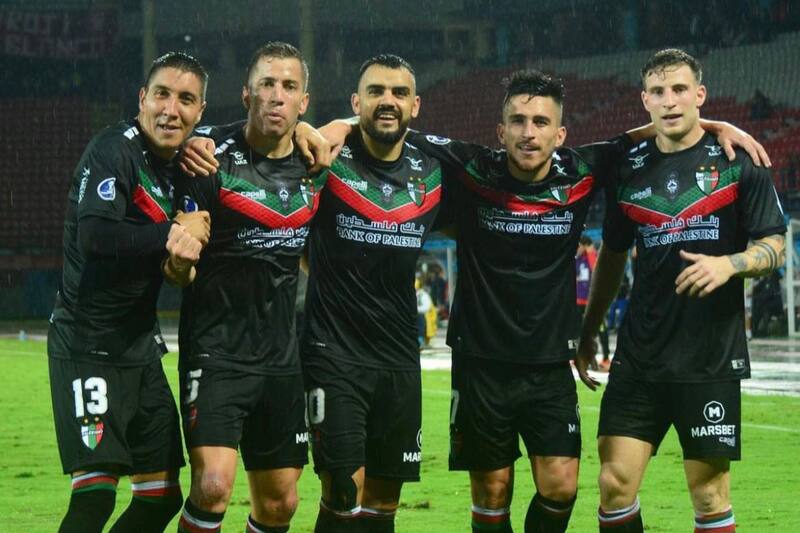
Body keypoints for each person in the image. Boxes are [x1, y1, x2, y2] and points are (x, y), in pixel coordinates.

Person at [319, 68, 768, 533]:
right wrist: (342, 125)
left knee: (561, 486)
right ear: (500, 130)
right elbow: (391, 124)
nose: (528, 132)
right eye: (517, 121)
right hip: (481, 362)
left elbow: (653, 134)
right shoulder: (472, 168)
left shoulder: (581, 170)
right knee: (491, 492)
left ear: (561, 133)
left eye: (540, 122)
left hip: (550, 362)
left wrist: (713, 125)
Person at [575, 48, 786, 533]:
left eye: (679, 90)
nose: (670, 101)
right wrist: (589, 331)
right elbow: (612, 256)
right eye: (659, 92)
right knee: (613, 484)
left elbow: (774, 243)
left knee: (710, 496)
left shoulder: (739, 163)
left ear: (699, 95)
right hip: (640, 354)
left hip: (708, 355)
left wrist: (729, 264)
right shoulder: (627, 169)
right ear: (644, 100)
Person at [47, 52, 211, 533]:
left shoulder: (184, 164)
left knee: (161, 497)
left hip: (139, 348)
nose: (170, 109)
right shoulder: (113, 151)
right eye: (161, 94)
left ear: (200, 112)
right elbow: (96, 240)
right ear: (142, 99)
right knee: (95, 497)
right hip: (87, 344)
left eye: (186, 100)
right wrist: (172, 229)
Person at [169, 42, 329, 533]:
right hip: (216, 352)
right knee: (213, 485)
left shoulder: (314, 167)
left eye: (289, 87)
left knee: (281, 503)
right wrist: (178, 262)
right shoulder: (208, 158)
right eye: (266, 84)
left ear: (304, 103)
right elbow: (181, 260)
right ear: (246, 94)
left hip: (282, 359)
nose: (276, 96)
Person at [301, 54, 445, 533]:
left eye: (400, 93)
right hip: (333, 352)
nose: (389, 101)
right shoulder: (325, 160)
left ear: (416, 105)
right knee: (343, 489)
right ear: (355, 101)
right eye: (377, 92)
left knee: (384, 499)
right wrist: (333, 128)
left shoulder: (436, 171)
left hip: (399, 357)